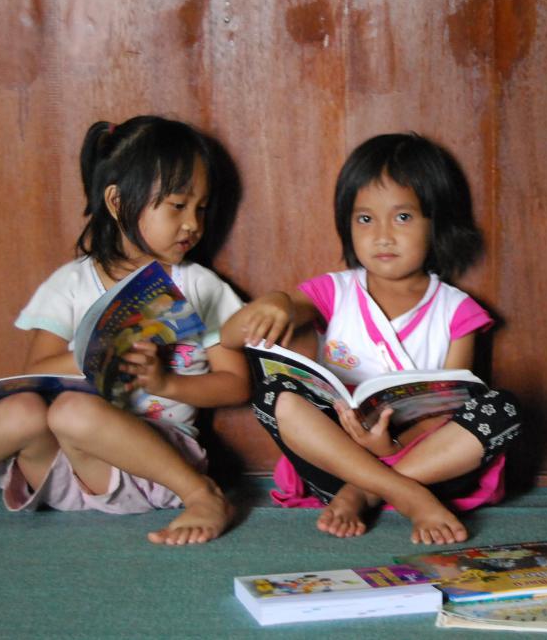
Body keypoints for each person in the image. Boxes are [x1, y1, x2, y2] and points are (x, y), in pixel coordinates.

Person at [0, 116, 249, 545]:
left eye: (201, 208)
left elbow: (236, 384)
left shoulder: (199, 286)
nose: (193, 222)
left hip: (157, 467)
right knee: (23, 408)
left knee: (72, 411)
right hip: (63, 470)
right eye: (178, 205)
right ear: (117, 201)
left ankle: (202, 495)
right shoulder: (71, 283)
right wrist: (99, 351)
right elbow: (36, 370)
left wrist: (166, 383)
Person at [222, 133, 521, 545]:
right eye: (365, 219)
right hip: (335, 462)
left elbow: (451, 405)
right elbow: (231, 336)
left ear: (436, 221)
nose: (382, 236)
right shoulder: (334, 292)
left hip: (427, 463)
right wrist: (277, 302)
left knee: (501, 408)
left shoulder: (456, 311)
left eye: (403, 217)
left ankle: (366, 491)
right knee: (275, 392)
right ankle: (398, 492)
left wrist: (391, 445)